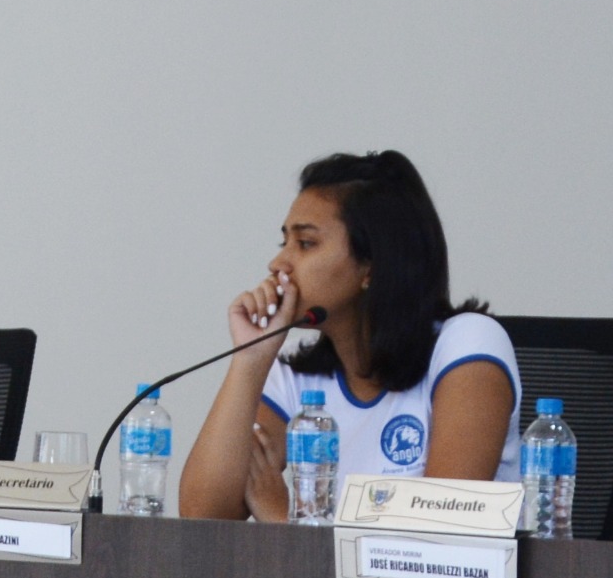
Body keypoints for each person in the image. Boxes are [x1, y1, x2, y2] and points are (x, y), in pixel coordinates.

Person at [180, 150, 513, 518]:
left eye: (306, 243)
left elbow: (446, 523)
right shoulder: (296, 376)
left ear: (371, 266)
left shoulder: (467, 344)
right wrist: (249, 359)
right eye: (284, 243)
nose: (278, 264)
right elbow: (201, 517)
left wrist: (288, 520)